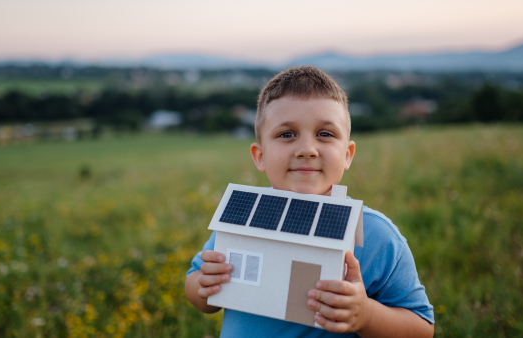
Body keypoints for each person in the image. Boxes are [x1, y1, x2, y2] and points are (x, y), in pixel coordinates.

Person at [184, 66, 434, 337]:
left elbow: (421, 328)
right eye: (286, 134)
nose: (307, 150)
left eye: (325, 134)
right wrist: (205, 285)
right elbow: (196, 286)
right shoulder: (240, 220)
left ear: (348, 154)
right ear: (260, 156)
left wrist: (367, 315)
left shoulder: (376, 236)